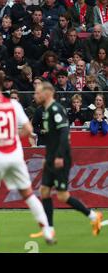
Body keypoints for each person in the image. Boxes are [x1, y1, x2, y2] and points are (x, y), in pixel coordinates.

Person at [0, 72, 55, 246]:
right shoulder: (13, 104)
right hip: (15, 154)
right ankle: (47, 230)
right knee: (28, 193)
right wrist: (14, 136)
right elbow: (29, 129)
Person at [30, 81, 103, 239]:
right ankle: (49, 230)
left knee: (62, 195)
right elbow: (52, 138)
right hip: (52, 157)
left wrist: (57, 156)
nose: (35, 95)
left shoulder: (56, 110)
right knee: (44, 191)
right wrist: (48, 157)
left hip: (60, 158)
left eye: (38, 93)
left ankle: (93, 216)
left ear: (47, 93)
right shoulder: (46, 111)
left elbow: (64, 134)